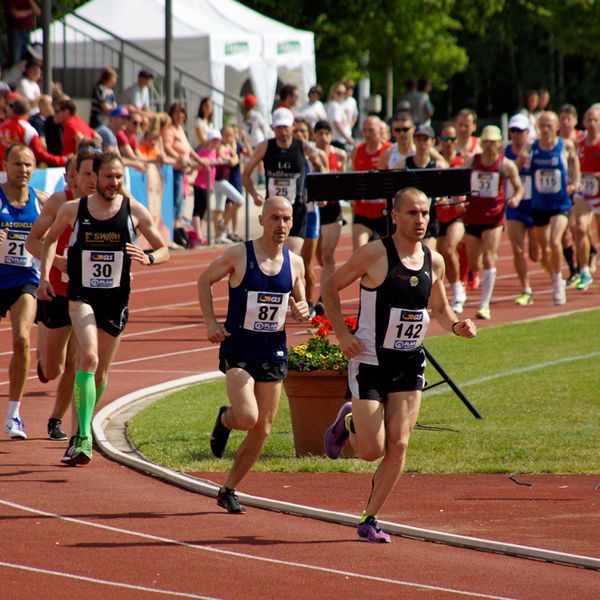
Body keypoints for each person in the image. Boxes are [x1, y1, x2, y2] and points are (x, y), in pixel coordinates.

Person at [321, 187, 477, 542]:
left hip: (409, 362)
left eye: (424, 213)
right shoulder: (374, 254)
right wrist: (343, 335)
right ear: (394, 216)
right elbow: (329, 289)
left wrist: (455, 325)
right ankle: (349, 419)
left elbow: (438, 308)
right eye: (411, 213)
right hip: (371, 362)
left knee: (400, 446)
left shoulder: (432, 260)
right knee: (370, 450)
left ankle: (369, 518)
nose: (420, 220)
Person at [37, 153, 170, 464]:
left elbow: (164, 248)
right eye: (109, 177)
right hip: (81, 296)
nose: (115, 183)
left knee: (100, 373)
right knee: (89, 356)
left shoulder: (133, 211)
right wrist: (45, 277)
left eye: (119, 177)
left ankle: (80, 430)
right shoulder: (74, 209)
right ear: (95, 177)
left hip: (116, 300)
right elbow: (48, 240)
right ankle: (82, 437)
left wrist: (149, 257)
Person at [197, 196, 310, 513]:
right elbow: (204, 280)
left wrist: (302, 307)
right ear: (261, 220)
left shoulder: (295, 262)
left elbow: (300, 301)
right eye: (275, 218)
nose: (282, 225)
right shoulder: (239, 255)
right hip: (239, 347)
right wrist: (210, 322)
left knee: (264, 427)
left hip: (273, 351)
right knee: (247, 417)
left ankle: (228, 488)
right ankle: (226, 418)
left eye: (287, 219)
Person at [26, 149, 98, 443]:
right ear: (73, 177)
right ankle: (43, 353)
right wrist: (55, 262)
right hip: (58, 290)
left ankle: (57, 420)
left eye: (98, 173)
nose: (93, 180)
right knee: (53, 368)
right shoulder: (60, 202)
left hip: (89, 296)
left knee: (79, 361)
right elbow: (33, 241)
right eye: (86, 174)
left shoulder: (108, 205)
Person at [1, 144, 46, 439]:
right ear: (6, 165)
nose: (24, 170)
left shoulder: (41, 202)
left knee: (21, 338)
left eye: (28, 164)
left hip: (24, 280)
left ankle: (14, 414)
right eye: (17, 164)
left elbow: (54, 240)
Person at [462, 125, 524, 319]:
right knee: (474, 263)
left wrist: (516, 199)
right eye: (486, 142)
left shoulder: (506, 165)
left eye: (493, 142)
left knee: (489, 257)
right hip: (472, 217)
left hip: (494, 218)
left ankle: (484, 305)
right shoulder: (472, 161)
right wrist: (460, 201)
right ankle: (483, 279)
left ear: (499, 144)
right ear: (481, 142)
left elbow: (519, 188)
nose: (489, 146)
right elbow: (461, 183)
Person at [242, 107, 316, 254]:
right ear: (272, 127)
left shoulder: (302, 147)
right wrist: (254, 194)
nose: (282, 131)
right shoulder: (265, 147)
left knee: (291, 255)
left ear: (293, 126)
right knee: (273, 256)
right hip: (273, 211)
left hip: (297, 209)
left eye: (285, 127)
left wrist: (317, 193)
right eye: (279, 127)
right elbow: (245, 174)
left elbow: (321, 166)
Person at [529, 111, 580, 305]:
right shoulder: (533, 147)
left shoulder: (564, 145)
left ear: (557, 127)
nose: (545, 130)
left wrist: (575, 181)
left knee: (553, 241)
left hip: (560, 204)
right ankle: (555, 275)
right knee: (544, 248)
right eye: (542, 125)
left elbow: (574, 160)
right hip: (539, 205)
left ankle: (558, 282)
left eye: (549, 126)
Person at [392, 124, 447, 251]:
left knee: (427, 255)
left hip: (429, 216)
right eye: (419, 139)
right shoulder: (403, 164)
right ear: (414, 141)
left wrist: (443, 199)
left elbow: (446, 192)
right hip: (408, 216)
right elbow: (395, 191)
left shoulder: (438, 166)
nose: (422, 143)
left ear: (432, 142)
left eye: (425, 139)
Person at [504, 114, 539, 306]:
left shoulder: (535, 150)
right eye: (513, 131)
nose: (516, 135)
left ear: (527, 132)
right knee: (517, 249)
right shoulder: (505, 152)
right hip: (514, 205)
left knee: (536, 254)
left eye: (520, 131)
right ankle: (526, 288)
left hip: (534, 206)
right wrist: (519, 160)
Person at [314, 119, 346, 311]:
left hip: (333, 210)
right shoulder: (310, 154)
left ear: (331, 136)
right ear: (314, 136)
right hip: (314, 210)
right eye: (320, 134)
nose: (323, 137)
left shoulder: (339, 155)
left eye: (327, 133)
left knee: (327, 256)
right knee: (317, 257)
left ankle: (324, 297)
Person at [436, 121, 468, 313]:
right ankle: (451, 288)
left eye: (452, 139)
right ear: (439, 140)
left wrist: (462, 202)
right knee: (440, 256)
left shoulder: (463, 161)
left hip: (457, 215)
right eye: (445, 139)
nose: (449, 142)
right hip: (438, 216)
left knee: (448, 248)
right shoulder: (436, 162)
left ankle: (458, 290)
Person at [350, 116, 392, 249]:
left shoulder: (390, 150)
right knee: (358, 251)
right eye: (364, 130)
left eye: (371, 130)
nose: (367, 134)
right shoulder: (357, 152)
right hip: (363, 212)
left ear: (380, 130)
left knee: (389, 254)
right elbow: (353, 178)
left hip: (385, 212)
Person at [573, 105, 600, 291]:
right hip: (583, 192)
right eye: (589, 120)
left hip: (599, 192)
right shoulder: (579, 143)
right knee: (581, 228)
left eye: (595, 120)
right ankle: (584, 271)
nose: (591, 123)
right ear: (583, 122)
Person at [0, 96, 67, 169]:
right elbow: (39, 154)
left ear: (13, 111)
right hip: (18, 173)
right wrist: (62, 160)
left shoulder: (2, 127)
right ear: (28, 112)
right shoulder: (28, 129)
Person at [5, 0, 41, 68]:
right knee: (16, 56)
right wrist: (30, 11)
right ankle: (13, 73)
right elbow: (16, 14)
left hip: (26, 31)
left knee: (26, 55)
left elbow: (38, 12)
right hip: (15, 30)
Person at [326, 82, 354, 150]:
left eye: (344, 93)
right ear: (333, 93)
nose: (341, 95)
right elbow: (337, 123)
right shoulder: (334, 106)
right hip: (338, 140)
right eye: (339, 93)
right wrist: (347, 138)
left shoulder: (337, 105)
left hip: (341, 140)